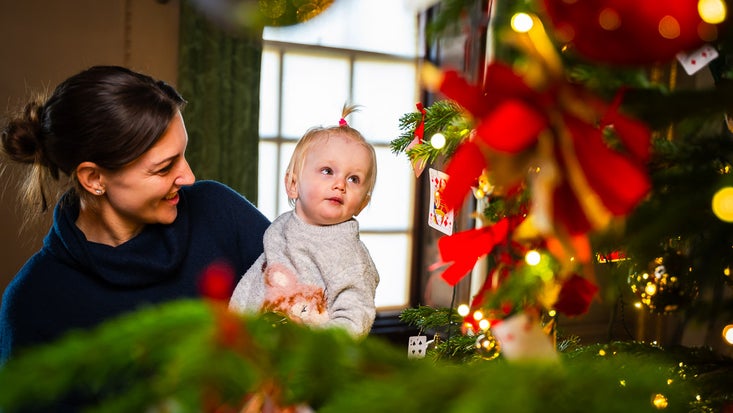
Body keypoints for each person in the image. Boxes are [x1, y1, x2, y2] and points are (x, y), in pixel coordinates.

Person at [0, 65, 270, 366]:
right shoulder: (32, 303)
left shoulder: (219, 211)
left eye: (183, 155)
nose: (189, 177)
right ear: (94, 179)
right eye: (164, 167)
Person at [229, 105, 379, 338]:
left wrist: (312, 345)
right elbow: (255, 281)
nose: (340, 184)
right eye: (328, 171)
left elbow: (355, 317)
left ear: (362, 203)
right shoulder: (281, 229)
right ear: (292, 184)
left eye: (353, 178)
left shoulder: (349, 255)